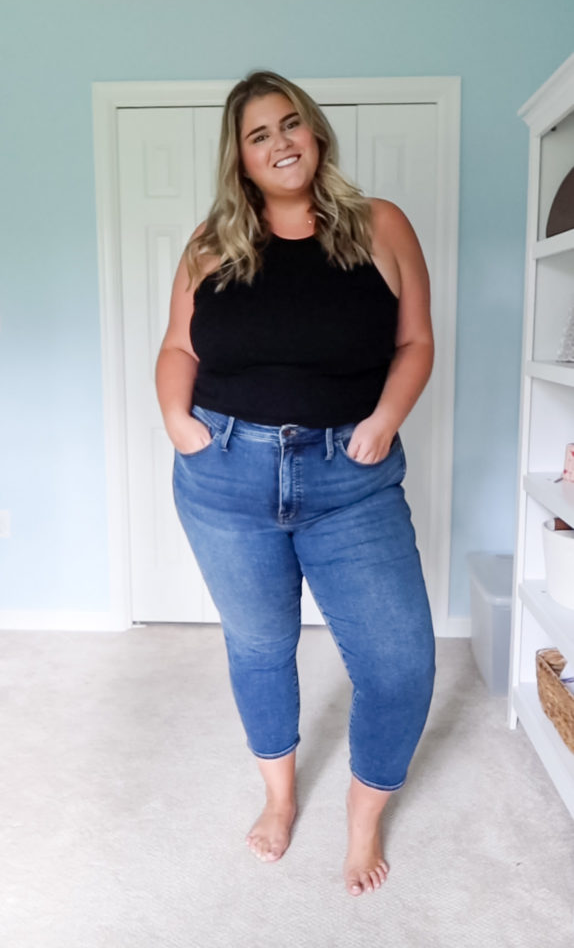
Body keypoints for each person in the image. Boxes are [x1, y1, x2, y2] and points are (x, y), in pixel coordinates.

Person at [155, 69, 436, 897]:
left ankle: (363, 817)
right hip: (226, 475)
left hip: (352, 474)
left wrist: (382, 422)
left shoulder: (379, 225)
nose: (280, 143)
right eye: (258, 135)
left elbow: (415, 341)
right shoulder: (212, 239)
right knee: (260, 647)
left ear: (315, 133)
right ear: (240, 159)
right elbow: (180, 348)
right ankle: (279, 798)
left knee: (398, 661)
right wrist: (180, 423)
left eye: (290, 125)